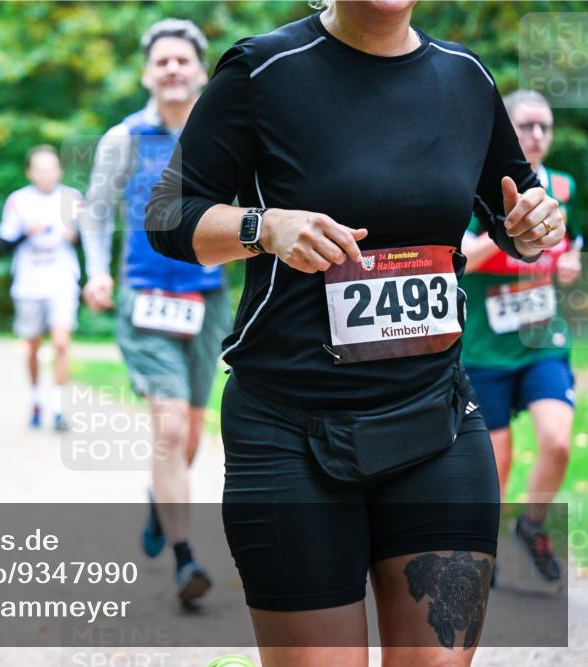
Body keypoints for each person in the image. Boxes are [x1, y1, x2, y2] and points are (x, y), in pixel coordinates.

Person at [144, 1, 567, 665]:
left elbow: (514, 209)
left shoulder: (463, 79)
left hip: (437, 424)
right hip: (291, 435)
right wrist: (264, 227)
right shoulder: (265, 71)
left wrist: (535, 224)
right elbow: (168, 214)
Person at [81, 18, 232, 606]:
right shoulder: (123, 139)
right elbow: (94, 212)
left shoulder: (220, 133)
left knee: (190, 436)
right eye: (162, 61)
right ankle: (184, 559)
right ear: (147, 72)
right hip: (145, 301)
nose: (172, 70)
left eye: (182, 61)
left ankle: (158, 498)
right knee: (169, 427)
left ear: (199, 70)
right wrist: (96, 271)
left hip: (207, 298)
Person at [460, 89, 581, 584]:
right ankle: (482, 547)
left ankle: (531, 526)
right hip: (485, 347)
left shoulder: (562, 188)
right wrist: (509, 232)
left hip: (540, 342)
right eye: (525, 126)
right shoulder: (478, 184)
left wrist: (570, 262)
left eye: (544, 127)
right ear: (506, 130)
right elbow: (461, 258)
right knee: (498, 461)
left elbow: (571, 249)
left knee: (556, 442)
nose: (535, 136)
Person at [0, 145, 84, 431]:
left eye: (50, 168)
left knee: (61, 342)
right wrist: (26, 232)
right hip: (29, 280)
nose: (46, 174)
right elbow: (3, 241)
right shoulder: (18, 201)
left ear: (59, 170)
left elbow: (89, 238)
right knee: (32, 344)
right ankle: (36, 397)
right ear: (30, 172)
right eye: (39, 168)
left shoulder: (72, 198)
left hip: (61, 278)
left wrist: (75, 235)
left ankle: (58, 405)